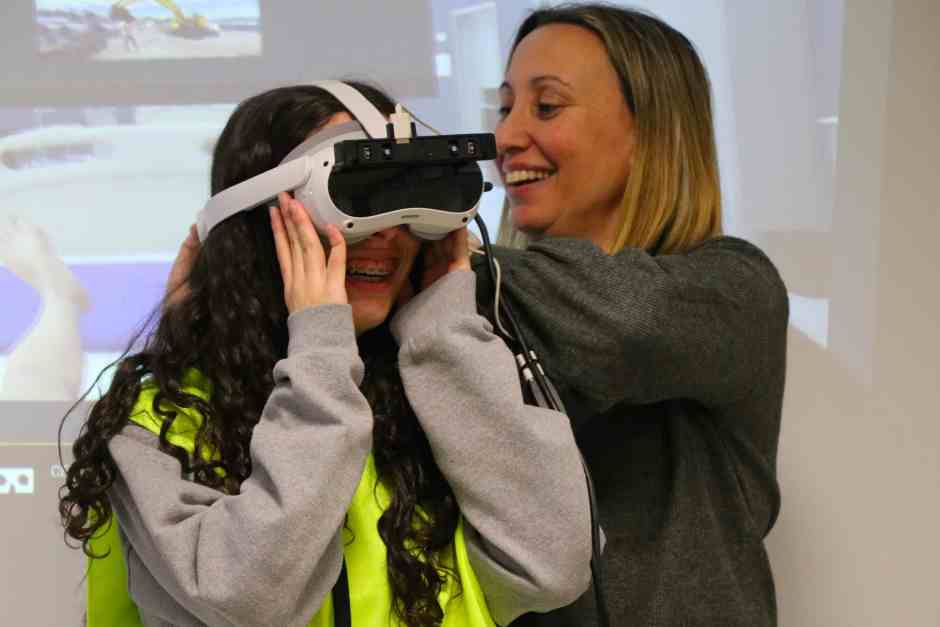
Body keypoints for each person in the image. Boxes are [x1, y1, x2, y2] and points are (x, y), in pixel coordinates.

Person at [58, 83, 593, 627]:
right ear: (258, 223)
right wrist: (320, 353)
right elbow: (248, 599)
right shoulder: (163, 417)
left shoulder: (435, 394)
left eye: (405, 204)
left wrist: (446, 334)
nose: (384, 236)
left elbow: (549, 568)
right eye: (357, 198)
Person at [470, 5, 789, 626]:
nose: (506, 138)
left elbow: (625, 324)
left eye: (547, 106)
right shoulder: (474, 310)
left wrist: (437, 255)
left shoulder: (736, 288)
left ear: (650, 129)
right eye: (505, 107)